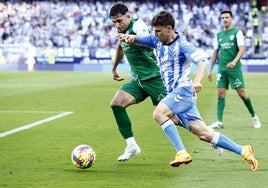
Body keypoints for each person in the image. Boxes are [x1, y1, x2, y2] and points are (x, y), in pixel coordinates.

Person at [116, 10, 259, 171]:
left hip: (183, 91)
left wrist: (197, 81)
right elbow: (138, 39)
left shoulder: (182, 45)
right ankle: (244, 150)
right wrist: (128, 37)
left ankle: (181, 152)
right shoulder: (156, 41)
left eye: (158, 31)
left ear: (169, 28)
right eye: (154, 31)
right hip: (175, 94)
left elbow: (202, 62)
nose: (155, 34)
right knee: (204, 133)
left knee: (159, 113)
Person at [109, 2, 167, 162]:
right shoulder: (121, 29)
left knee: (174, 117)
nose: (117, 24)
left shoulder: (138, 26)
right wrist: (114, 68)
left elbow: (149, 43)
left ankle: (207, 134)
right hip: (139, 80)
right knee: (116, 104)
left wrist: (132, 39)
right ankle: (132, 145)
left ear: (129, 16)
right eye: (114, 22)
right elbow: (121, 47)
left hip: (154, 77)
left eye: (119, 21)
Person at [208, 10, 261, 129]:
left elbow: (242, 49)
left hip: (234, 69)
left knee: (241, 93)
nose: (225, 19)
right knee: (220, 93)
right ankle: (219, 121)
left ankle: (254, 116)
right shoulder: (219, 35)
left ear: (231, 19)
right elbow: (215, 52)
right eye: (223, 18)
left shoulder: (237, 33)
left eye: (227, 17)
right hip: (222, 69)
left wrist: (234, 62)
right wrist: (210, 70)